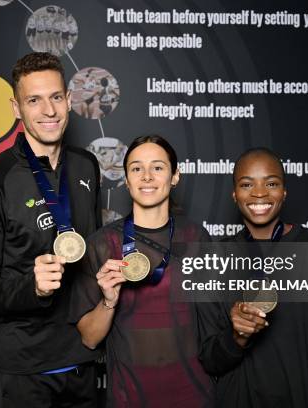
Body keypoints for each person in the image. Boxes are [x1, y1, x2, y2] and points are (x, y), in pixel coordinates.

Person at [0, 52, 102, 407]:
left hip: (82, 356)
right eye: (34, 100)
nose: (49, 110)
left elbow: (93, 251)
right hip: (20, 367)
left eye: (56, 97)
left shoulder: (87, 166)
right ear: (16, 108)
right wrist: (32, 288)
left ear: (70, 100)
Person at [196, 147, 308, 408]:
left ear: (284, 192)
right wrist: (236, 337)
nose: (259, 193)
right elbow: (209, 360)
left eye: (271, 183)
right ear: (234, 195)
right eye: (247, 184)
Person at [71, 135, 214, 407]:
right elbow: (89, 339)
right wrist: (108, 301)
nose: (146, 176)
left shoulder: (197, 237)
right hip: (130, 397)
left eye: (158, 167)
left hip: (193, 395)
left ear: (175, 176)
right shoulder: (102, 245)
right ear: (126, 179)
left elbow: (212, 327)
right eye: (137, 168)